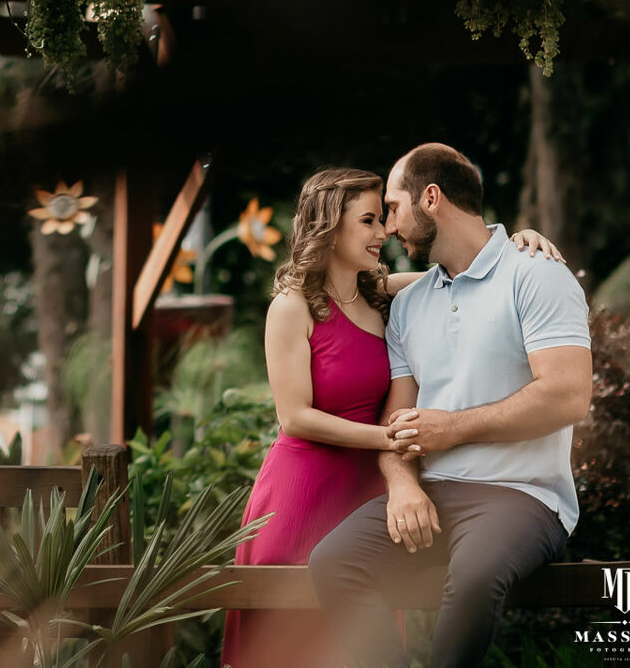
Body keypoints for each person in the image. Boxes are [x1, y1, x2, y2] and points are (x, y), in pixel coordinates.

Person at [222, 166, 564, 668]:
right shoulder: (291, 308)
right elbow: (294, 418)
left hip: (371, 487)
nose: (383, 232)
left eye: (383, 218)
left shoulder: (384, 296)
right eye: (368, 221)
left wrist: (520, 242)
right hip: (306, 486)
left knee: (357, 636)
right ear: (328, 226)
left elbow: (469, 268)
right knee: (288, 639)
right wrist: (391, 436)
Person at [308, 143, 592, 668]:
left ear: (431, 198)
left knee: (475, 577)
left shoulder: (537, 275)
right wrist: (400, 485)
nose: (389, 226)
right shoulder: (411, 303)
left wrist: (452, 429)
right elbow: (399, 421)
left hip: (521, 495)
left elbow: (568, 396)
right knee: (332, 562)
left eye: (392, 207)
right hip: (432, 494)